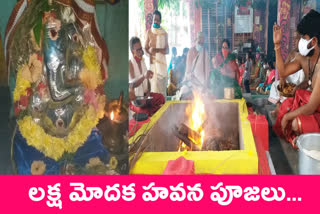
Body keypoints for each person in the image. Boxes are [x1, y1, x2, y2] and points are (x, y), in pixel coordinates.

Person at [273, 9, 320, 148]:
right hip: (310, 106)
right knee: (286, 105)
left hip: (315, 110)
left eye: (303, 38)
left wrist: (288, 117)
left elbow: (311, 107)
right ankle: (299, 137)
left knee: (294, 122)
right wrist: (277, 45)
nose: (298, 41)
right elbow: (283, 72)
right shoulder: (303, 59)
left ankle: (302, 139)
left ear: (314, 41)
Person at [268, 32, 306, 117]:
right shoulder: (292, 53)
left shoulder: (305, 57)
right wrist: (282, 78)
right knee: (275, 84)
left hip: (299, 84)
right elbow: (283, 68)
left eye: (296, 39)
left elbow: (308, 80)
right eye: (293, 39)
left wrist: (299, 86)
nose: (294, 41)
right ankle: (278, 107)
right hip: (288, 81)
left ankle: (282, 110)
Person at [129, 37, 165, 116]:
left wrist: (148, 93)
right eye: (137, 50)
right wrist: (144, 76)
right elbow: (132, 84)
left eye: (140, 49)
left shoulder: (142, 61)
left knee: (161, 98)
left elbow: (147, 81)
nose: (140, 51)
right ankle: (150, 111)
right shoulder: (130, 64)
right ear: (132, 52)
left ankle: (150, 109)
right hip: (135, 99)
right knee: (145, 112)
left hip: (145, 96)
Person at [176, 32, 211, 99]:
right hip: (191, 83)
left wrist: (206, 84)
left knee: (207, 96)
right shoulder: (190, 52)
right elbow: (188, 72)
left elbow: (207, 71)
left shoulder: (205, 53)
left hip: (202, 84)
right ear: (196, 40)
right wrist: (192, 79)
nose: (200, 44)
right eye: (199, 42)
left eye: (202, 43)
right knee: (183, 92)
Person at [145, 10, 169, 99]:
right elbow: (145, 48)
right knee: (153, 92)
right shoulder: (149, 32)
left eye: (158, 20)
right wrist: (149, 53)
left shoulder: (164, 33)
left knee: (162, 93)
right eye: (154, 19)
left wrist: (156, 50)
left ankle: (163, 110)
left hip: (162, 68)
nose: (156, 21)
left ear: (160, 21)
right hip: (152, 66)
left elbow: (167, 51)